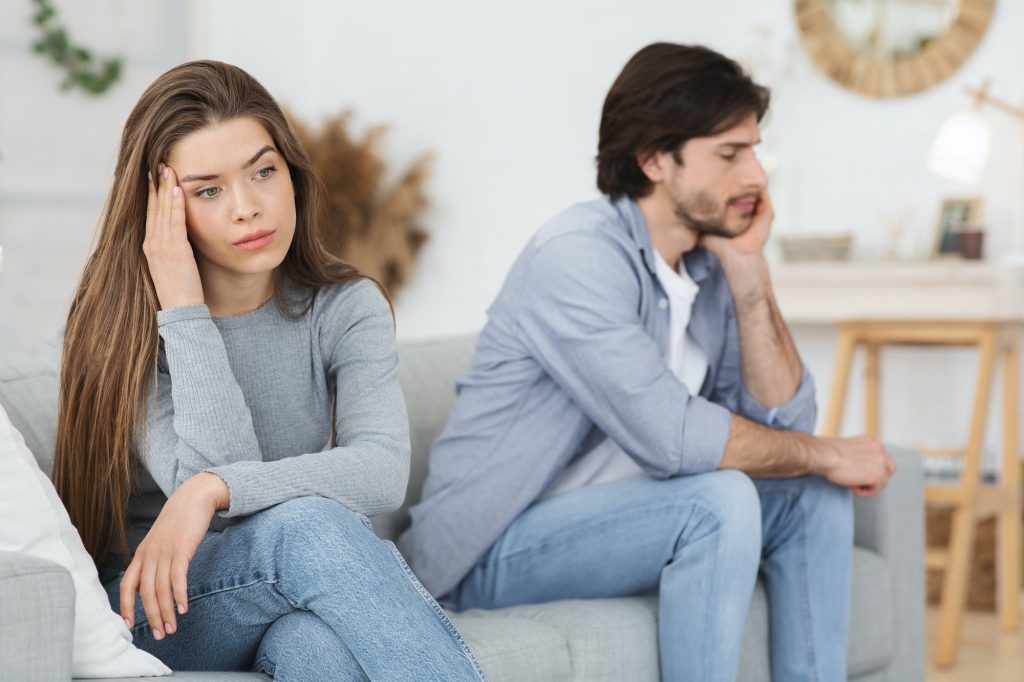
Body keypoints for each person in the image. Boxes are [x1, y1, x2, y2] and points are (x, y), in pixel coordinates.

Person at [399, 43, 896, 681]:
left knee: (811, 494)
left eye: (754, 149)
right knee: (718, 500)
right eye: (730, 154)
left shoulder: (707, 264)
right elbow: (674, 439)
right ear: (654, 159)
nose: (757, 177)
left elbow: (784, 417)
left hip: (623, 523)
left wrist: (749, 275)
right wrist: (830, 451)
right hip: (491, 549)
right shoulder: (578, 256)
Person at [52, 60, 485, 682]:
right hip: (157, 610)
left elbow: (383, 471)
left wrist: (211, 489)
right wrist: (183, 308)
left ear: (293, 175)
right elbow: (226, 494)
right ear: (159, 214)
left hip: (281, 592)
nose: (248, 208)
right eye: (208, 190)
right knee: (308, 526)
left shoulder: (344, 306)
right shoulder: (126, 329)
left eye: (263, 172)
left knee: (315, 646)